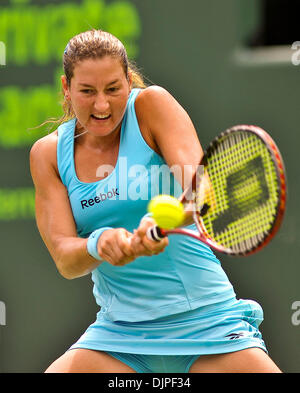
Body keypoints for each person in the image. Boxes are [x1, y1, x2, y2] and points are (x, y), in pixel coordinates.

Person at [30, 29, 281, 373]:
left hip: (207, 319)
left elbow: (202, 191)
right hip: (118, 336)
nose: (101, 105)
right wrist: (99, 244)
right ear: (66, 88)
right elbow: (64, 257)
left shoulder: (152, 106)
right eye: (87, 91)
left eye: (113, 89)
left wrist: (167, 219)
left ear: (128, 82)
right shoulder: (48, 156)